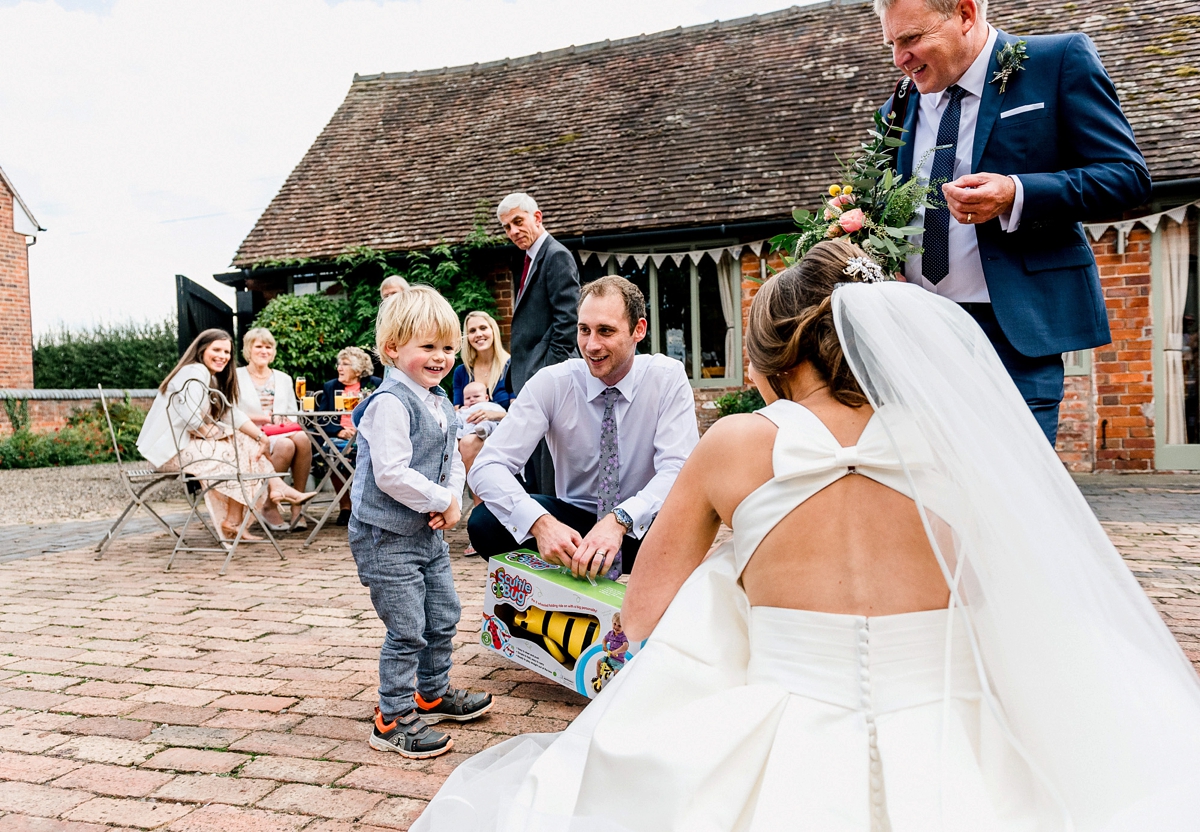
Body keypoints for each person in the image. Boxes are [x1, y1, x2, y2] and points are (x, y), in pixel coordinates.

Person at [414, 240, 1200, 831]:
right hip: (952, 737)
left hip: (781, 733)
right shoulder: (954, 442)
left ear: (774, 353)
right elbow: (1015, 596)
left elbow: (643, 612)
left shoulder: (738, 445)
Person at [877, 0, 1150, 444]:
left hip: (1014, 333)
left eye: (911, 39)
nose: (899, 58)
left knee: (1016, 500)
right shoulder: (900, 104)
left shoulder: (1057, 62)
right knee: (931, 500)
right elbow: (883, 205)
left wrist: (1016, 194)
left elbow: (1126, 176)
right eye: (892, 42)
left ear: (965, 14)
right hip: (918, 336)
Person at [467, 276, 698, 580]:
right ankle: (556, 588)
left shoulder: (666, 378)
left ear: (638, 330)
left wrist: (620, 520)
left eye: (606, 331)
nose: (591, 345)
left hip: (642, 526)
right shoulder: (552, 383)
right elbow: (487, 466)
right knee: (484, 521)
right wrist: (541, 524)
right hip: (573, 527)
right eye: (584, 330)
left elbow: (678, 468)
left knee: (690, 525)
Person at [348, 285, 493, 760]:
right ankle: (392, 716)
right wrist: (440, 499)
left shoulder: (437, 401)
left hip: (426, 531)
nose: (441, 357)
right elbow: (390, 474)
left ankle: (431, 692)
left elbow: (451, 453)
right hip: (386, 535)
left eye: (448, 348)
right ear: (392, 350)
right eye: (427, 347)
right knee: (408, 625)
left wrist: (450, 496)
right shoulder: (389, 403)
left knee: (444, 613)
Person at [137, 328, 316, 540]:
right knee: (238, 453)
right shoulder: (194, 372)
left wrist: (261, 437)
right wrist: (206, 430)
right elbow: (189, 414)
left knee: (243, 442)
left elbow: (230, 412)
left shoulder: (210, 377)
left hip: (183, 447)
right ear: (202, 349)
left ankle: (249, 509)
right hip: (170, 452)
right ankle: (266, 494)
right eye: (217, 350)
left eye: (227, 352)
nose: (222, 356)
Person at [497, 192, 580, 495]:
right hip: (529, 378)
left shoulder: (555, 256)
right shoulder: (529, 259)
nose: (513, 231)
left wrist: (546, 375)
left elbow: (567, 324)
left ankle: (554, 532)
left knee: (548, 464)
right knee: (533, 461)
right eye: (507, 227)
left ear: (537, 217)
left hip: (546, 379)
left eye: (518, 222)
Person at [235, 327, 312, 531]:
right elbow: (231, 412)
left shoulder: (283, 378)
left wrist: (282, 419)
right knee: (286, 444)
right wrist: (264, 418)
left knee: (303, 438)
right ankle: (269, 504)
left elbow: (292, 414)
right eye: (258, 346)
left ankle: (297, 505)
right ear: (248, 350)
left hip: (278, 431)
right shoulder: (236, 376)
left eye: (268, 347)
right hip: (249, 434)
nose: (264, 351)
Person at [321, 346, 383, 525]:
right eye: (339, 363)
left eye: (345, 364)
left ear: (358, 369)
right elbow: (322, 418)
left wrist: (362, 432)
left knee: (373, 452)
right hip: (339, 439)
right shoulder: (331, 387)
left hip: (368, 437)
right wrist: (338, 431)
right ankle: (345, 507)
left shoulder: (375, 384)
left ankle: (369, 507)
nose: (339, 367)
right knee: (334, 454)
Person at [453, 310, 511, 475]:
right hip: (470, 429)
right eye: (472, 331)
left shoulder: (511, 367)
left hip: (504, 431)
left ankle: (478, 499)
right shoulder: (461, 372)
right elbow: (458, 410)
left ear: (493, 330)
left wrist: (491, 414)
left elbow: (520, 413)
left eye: (483, 328)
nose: (478, 334)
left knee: (468, 443)